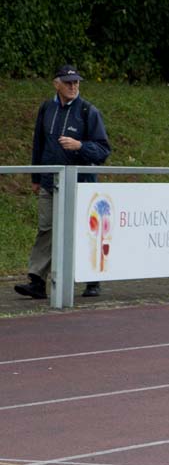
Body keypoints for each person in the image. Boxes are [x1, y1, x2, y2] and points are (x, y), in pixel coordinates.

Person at [16, 64, 111, 300]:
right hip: (50, 183)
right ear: (56, 84)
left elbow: (103, 150)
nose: (73, 86)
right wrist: (36, 178)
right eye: (68, 82)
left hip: (80, 185)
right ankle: (37, 281)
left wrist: (80, 146)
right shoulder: (46, 108)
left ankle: (92, 280)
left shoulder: (88, 111)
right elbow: (38, 144)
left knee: (83, 232)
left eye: (76, 82)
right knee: (46, 229)